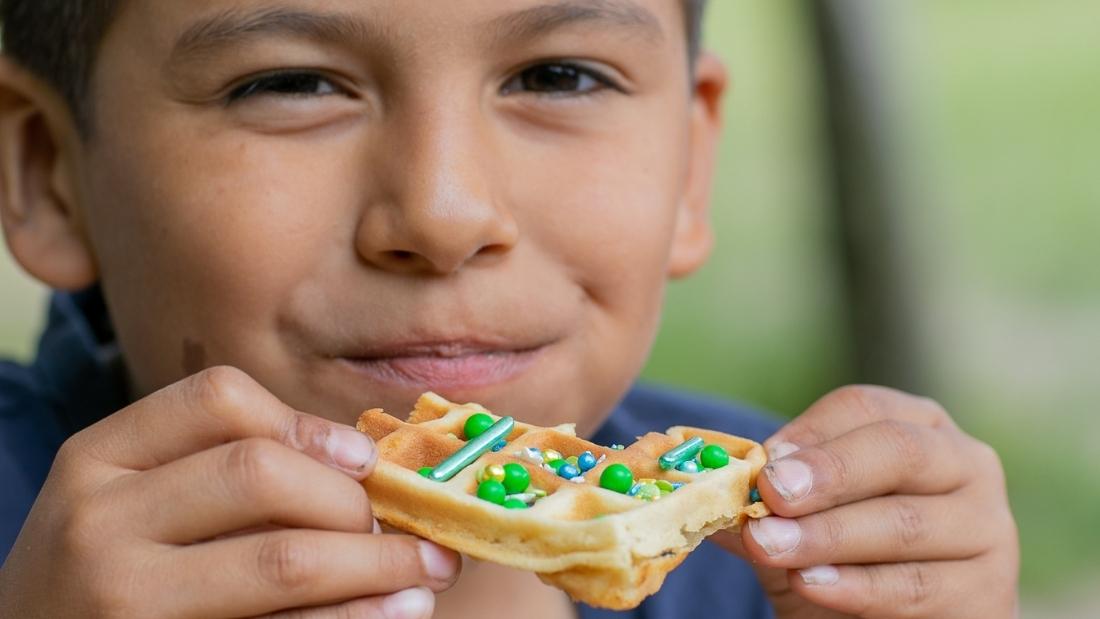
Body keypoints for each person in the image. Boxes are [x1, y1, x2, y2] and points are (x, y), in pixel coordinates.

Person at [0, 1, 1018, 617]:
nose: (444, 214)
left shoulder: (778, 564)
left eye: (556, 75)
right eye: (292, 82)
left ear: (688, 171)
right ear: (48, 174)